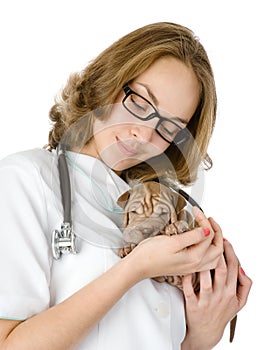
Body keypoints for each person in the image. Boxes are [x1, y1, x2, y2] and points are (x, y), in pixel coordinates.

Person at [0, 22, 252, 349]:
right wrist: (134, 268)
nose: (144, 136)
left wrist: (200, 338)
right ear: (109, 80)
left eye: (169, 128)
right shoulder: (25, 180)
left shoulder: (176, 213)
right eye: (141, 103)